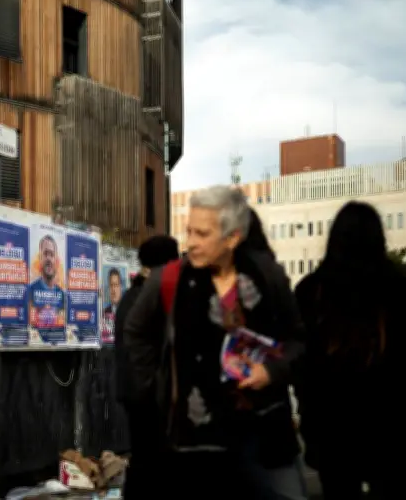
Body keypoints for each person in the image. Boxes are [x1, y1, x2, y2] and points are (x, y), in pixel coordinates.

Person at [124, 185, 306, 498]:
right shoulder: (168, 280)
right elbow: (135, 332)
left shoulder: (268, 278)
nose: (191, 242)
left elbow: (299, 342)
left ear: (232, 238)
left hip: (262, 432)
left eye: (202, 234)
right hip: (193, 438)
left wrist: (272, 372)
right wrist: (156, 385)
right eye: (189, 231)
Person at [294, 201, 406, 499]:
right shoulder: (400, 292)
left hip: (331, 430)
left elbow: (300, 365)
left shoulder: (311, 292)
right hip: (391, 430)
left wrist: (308, 414)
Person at [114, 235, 179, 499]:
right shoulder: (145, 298)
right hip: (147, 395)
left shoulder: (133, 295)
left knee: (146, 461)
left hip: (139, 392)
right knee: (150, 462)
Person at [28, 234, 65, 328]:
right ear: (40, 258)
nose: (48, 258)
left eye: (52, 254)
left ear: (56, 260)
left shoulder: (62, 295)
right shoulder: (31, 290)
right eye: (45, 254)